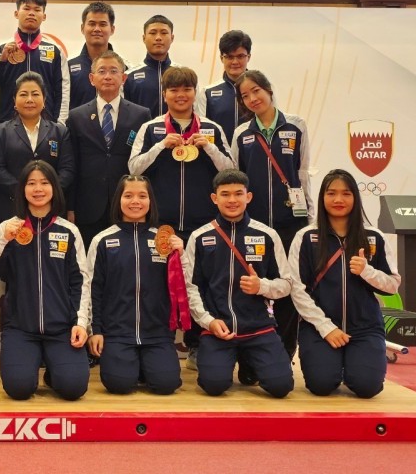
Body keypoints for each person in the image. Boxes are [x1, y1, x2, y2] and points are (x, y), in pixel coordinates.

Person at [129, 66, 233, 369]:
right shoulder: (151, 128)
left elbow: (231, 170)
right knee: (159, 284)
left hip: (204, 224)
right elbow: (133, 168)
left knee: (201, 283)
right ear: (165, 95)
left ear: (194, 93)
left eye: (186, 89)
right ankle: (159, 341)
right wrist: (161, 146)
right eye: (174, 90)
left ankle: (197, 344)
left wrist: (209, 148)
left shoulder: (211, 129)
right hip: (162, 224)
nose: (181, 95)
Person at [288, 169, 401, 398]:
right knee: (321, 385)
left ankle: (356, 366)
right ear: (322, 197)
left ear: (355, 198)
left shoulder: (374, 237)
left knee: (367, 387)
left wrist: (367, 271)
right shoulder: (306, 237)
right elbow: (297, 289)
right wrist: (326, 327)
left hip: (365, 328)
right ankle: (333, 365)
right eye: (331, 193)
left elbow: (392, 285)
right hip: (319, 328)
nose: (338, 199)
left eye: (346, 193)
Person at [184, 169, 295, 398]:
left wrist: (261, 287)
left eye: (238, 193)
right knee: (213, 385)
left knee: (281, 387)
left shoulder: (268, 235)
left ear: (249, 197)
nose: (232, 200)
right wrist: (209, 321)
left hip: (259, 328)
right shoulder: (199, 237)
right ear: (214, 198)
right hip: (219, 329)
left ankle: (248, 361)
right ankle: (231, 359)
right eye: (225, 194)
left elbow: (286, 284)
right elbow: (191, 288)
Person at [0, 161, 91, 401]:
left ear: (54, 187)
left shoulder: (69, 231)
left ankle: (55, 372)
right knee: (19, 388)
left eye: (44, 183)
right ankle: (30, 367)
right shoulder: (9, 228)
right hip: (20, 327)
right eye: (31, 183)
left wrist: (80, 323)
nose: (38, 189)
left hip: (61, 327)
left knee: (74, 388)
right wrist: (3, 240)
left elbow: (81, 281)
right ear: (22, 189)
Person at [231, 69, 313, 363]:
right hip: (254, 226)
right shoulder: (241, 133)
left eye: (256, 91)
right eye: (245, 95)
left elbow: (303, 173)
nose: (253, 98)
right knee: (253, 286)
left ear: (268, 90)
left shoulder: (296, 125)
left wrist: (310, 218)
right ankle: (253, 355)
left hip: (291, 222)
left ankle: (285, 351)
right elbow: (237, 179)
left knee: (287, 288)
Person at [87, 175, 185, 395]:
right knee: (118, 384)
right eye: (128, 195)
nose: (135, 201)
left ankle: (145, 366)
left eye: (142, 196)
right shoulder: (102, 240)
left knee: (166, 384)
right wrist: (96, 330)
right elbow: (93, 289)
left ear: (151, 201)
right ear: (118, 200)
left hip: (157, 333)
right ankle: (135, 367)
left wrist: (182, 254)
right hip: (117, 333)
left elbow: (182, 285)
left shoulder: (165, 241)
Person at [66, 51, 151, 248]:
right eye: (102, 71)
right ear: (91, 78)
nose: (107, 76)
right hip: (88, 205)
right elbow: (72, 164)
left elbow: (144, 163)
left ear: (124, 78)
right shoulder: (76, 116)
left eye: (114, 71)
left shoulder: (141, 115)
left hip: (127, 204)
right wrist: (70, 207)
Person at [0, 72, 75, 223]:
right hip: (11, 208)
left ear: (44, 100)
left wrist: (47, 191)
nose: (29, 99)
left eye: (35, 94)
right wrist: (24, 190)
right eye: (23, 94)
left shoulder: (60, 132)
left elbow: (67, 169)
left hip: (51, 208)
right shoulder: (0, 132)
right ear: (15, 101)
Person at [0, 0, 70, 123]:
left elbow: (63, 90)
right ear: (16, 13)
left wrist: (59, 125)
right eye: (26, 8)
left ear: (44, 16)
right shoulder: (1, 50)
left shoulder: (56, 51)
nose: (31, 13)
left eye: (37, 9)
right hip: (7, 124)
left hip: (45, 125)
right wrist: (1, 61)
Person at [195, 30, 253, 144]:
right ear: (222, 58)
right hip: (218, 153)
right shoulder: (207, 92)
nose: (235, 62)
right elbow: (201, 128)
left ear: (248, 57)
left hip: (252, 152)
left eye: (240, 56)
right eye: (230, 57)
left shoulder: (262, 89)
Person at [123, 15, 179, 117]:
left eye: (164, 33)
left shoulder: (184, 75)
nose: (158, 38)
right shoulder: (128, 77)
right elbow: (123, 115)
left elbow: (195, 115)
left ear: (172, 38)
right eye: (153, 33)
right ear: (144, 38)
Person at [68, 2, 117, 110]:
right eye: (92, 24)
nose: (97, 29)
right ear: (82, 28)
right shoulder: (67, 68)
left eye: (102, 24)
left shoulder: (125, 68)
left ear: (112, 29)